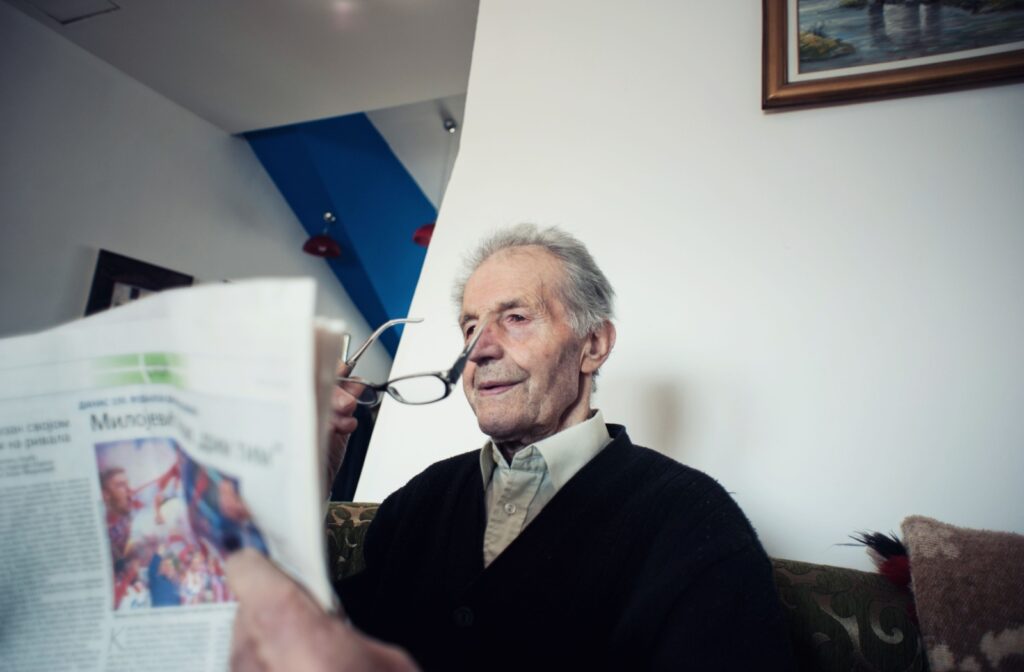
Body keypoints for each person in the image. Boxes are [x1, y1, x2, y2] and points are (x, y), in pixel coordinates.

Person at [228, 224, 795, 671]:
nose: (477, 352)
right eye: (469, 328)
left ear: (593, 345)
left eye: (516, 318)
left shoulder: (691, 519)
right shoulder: (421, 500)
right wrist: (308, 482)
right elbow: (301, 642)